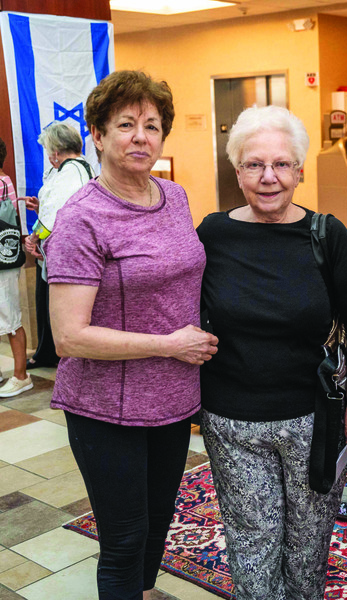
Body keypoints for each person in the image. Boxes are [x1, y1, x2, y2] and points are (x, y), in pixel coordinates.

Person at [44, 70, 219, 599]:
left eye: (152, 125)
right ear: (97, 134)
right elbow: (68, 337)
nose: (141, 136)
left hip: (172, 400)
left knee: (156, 532)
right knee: (124, 540)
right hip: (105, 407)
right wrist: (169, 345)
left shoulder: (175, 196)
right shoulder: (83, 218)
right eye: (125, 124)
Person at [197, 105, 347, 599]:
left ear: (300, 171)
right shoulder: (212, 235)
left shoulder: (327, 235)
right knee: (253, 551)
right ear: (237, 173)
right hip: (233, 421)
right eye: (254, 165)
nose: (268, 177)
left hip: (314, 419)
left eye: (281, 164)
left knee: (307, 548)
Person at [21, 122, 93, 370]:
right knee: (44, 301)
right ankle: (47, 352)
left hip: (65, 252)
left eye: (49, 149)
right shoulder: (72, 169)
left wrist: (34, 238)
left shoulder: (72, 171)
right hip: (61, 249)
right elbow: (55, 208)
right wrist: (40, 208)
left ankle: (56, 356)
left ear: (57, 149)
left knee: (56, 306)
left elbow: (57, 216)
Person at [0, 139, 31, 398]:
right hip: (3, 259)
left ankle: (21, 376)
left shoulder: (1, 182)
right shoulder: (5, 180)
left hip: (3, 263)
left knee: (10, 318)